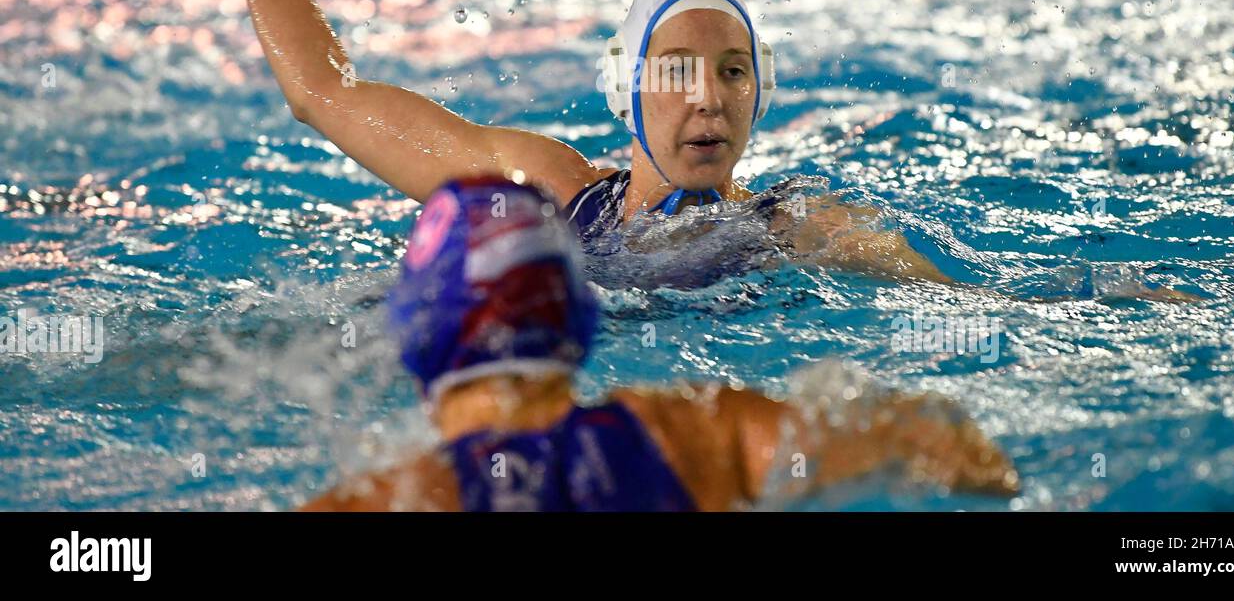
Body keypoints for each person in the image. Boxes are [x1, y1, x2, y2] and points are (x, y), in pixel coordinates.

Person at [160, 0, 1198, 300]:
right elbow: (326, 96)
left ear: (761, 90)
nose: (707, 98)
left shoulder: (800, 228)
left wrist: (1117, 299)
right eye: (677, 70)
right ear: (625, 87)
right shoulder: (545, 188)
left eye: (733, 72)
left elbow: (982, 303)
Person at [299, 177, 1020, 511]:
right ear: (577, 319)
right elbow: (948, 447)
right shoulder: (698, 433)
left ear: (419, 336)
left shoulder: (389, 499)